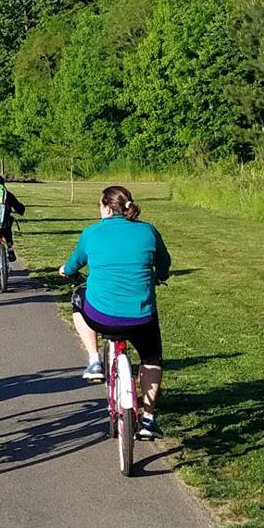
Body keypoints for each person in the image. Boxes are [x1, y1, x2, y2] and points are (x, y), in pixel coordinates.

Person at [58, 183, 171, 438]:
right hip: (141, 319)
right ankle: (148, 419)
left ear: (107, 208)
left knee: (78, 298)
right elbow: (164, 263)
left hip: (101, 317)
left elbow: (73, 264)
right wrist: (160, 275)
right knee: (151, 359)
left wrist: (65, 270)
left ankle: (94, 360)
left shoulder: (92, 233)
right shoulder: (148, 231)